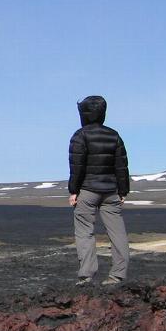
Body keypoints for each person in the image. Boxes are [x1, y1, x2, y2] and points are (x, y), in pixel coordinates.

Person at [67, 95, 131, 286]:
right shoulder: (114, 135)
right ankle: (118, 275)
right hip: (111, 191)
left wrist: (73, 191)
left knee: (85, 231)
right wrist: (123, 191)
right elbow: (121, 166)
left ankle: (86, 275)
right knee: (117, 232)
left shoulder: (80, 135)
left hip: (87, 190)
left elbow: (76, 166)